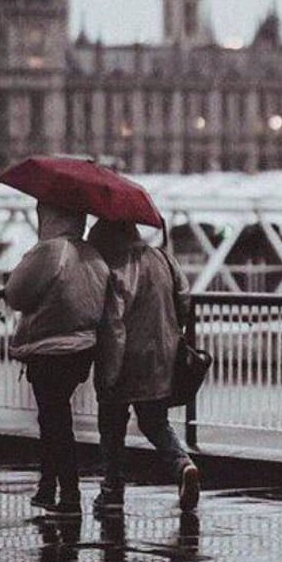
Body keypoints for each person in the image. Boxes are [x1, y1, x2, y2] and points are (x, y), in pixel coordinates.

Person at [89, 219, 199, 515]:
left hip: (123, 356)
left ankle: (112, 490)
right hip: (162, 354)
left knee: (111, 425)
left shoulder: (114, 267)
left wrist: (105, 366)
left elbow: (111, 320)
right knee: (154, 421)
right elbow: (184, 300)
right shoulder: (163, 258)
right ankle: (182, 465)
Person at [5, 203, 109, 515]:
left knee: (55, 421)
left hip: (50, 347)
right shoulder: (92, 254)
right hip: (82, 349)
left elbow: (16, 294)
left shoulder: (49, 251)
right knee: (55, 417)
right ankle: (49, 487)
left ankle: (67, 493)